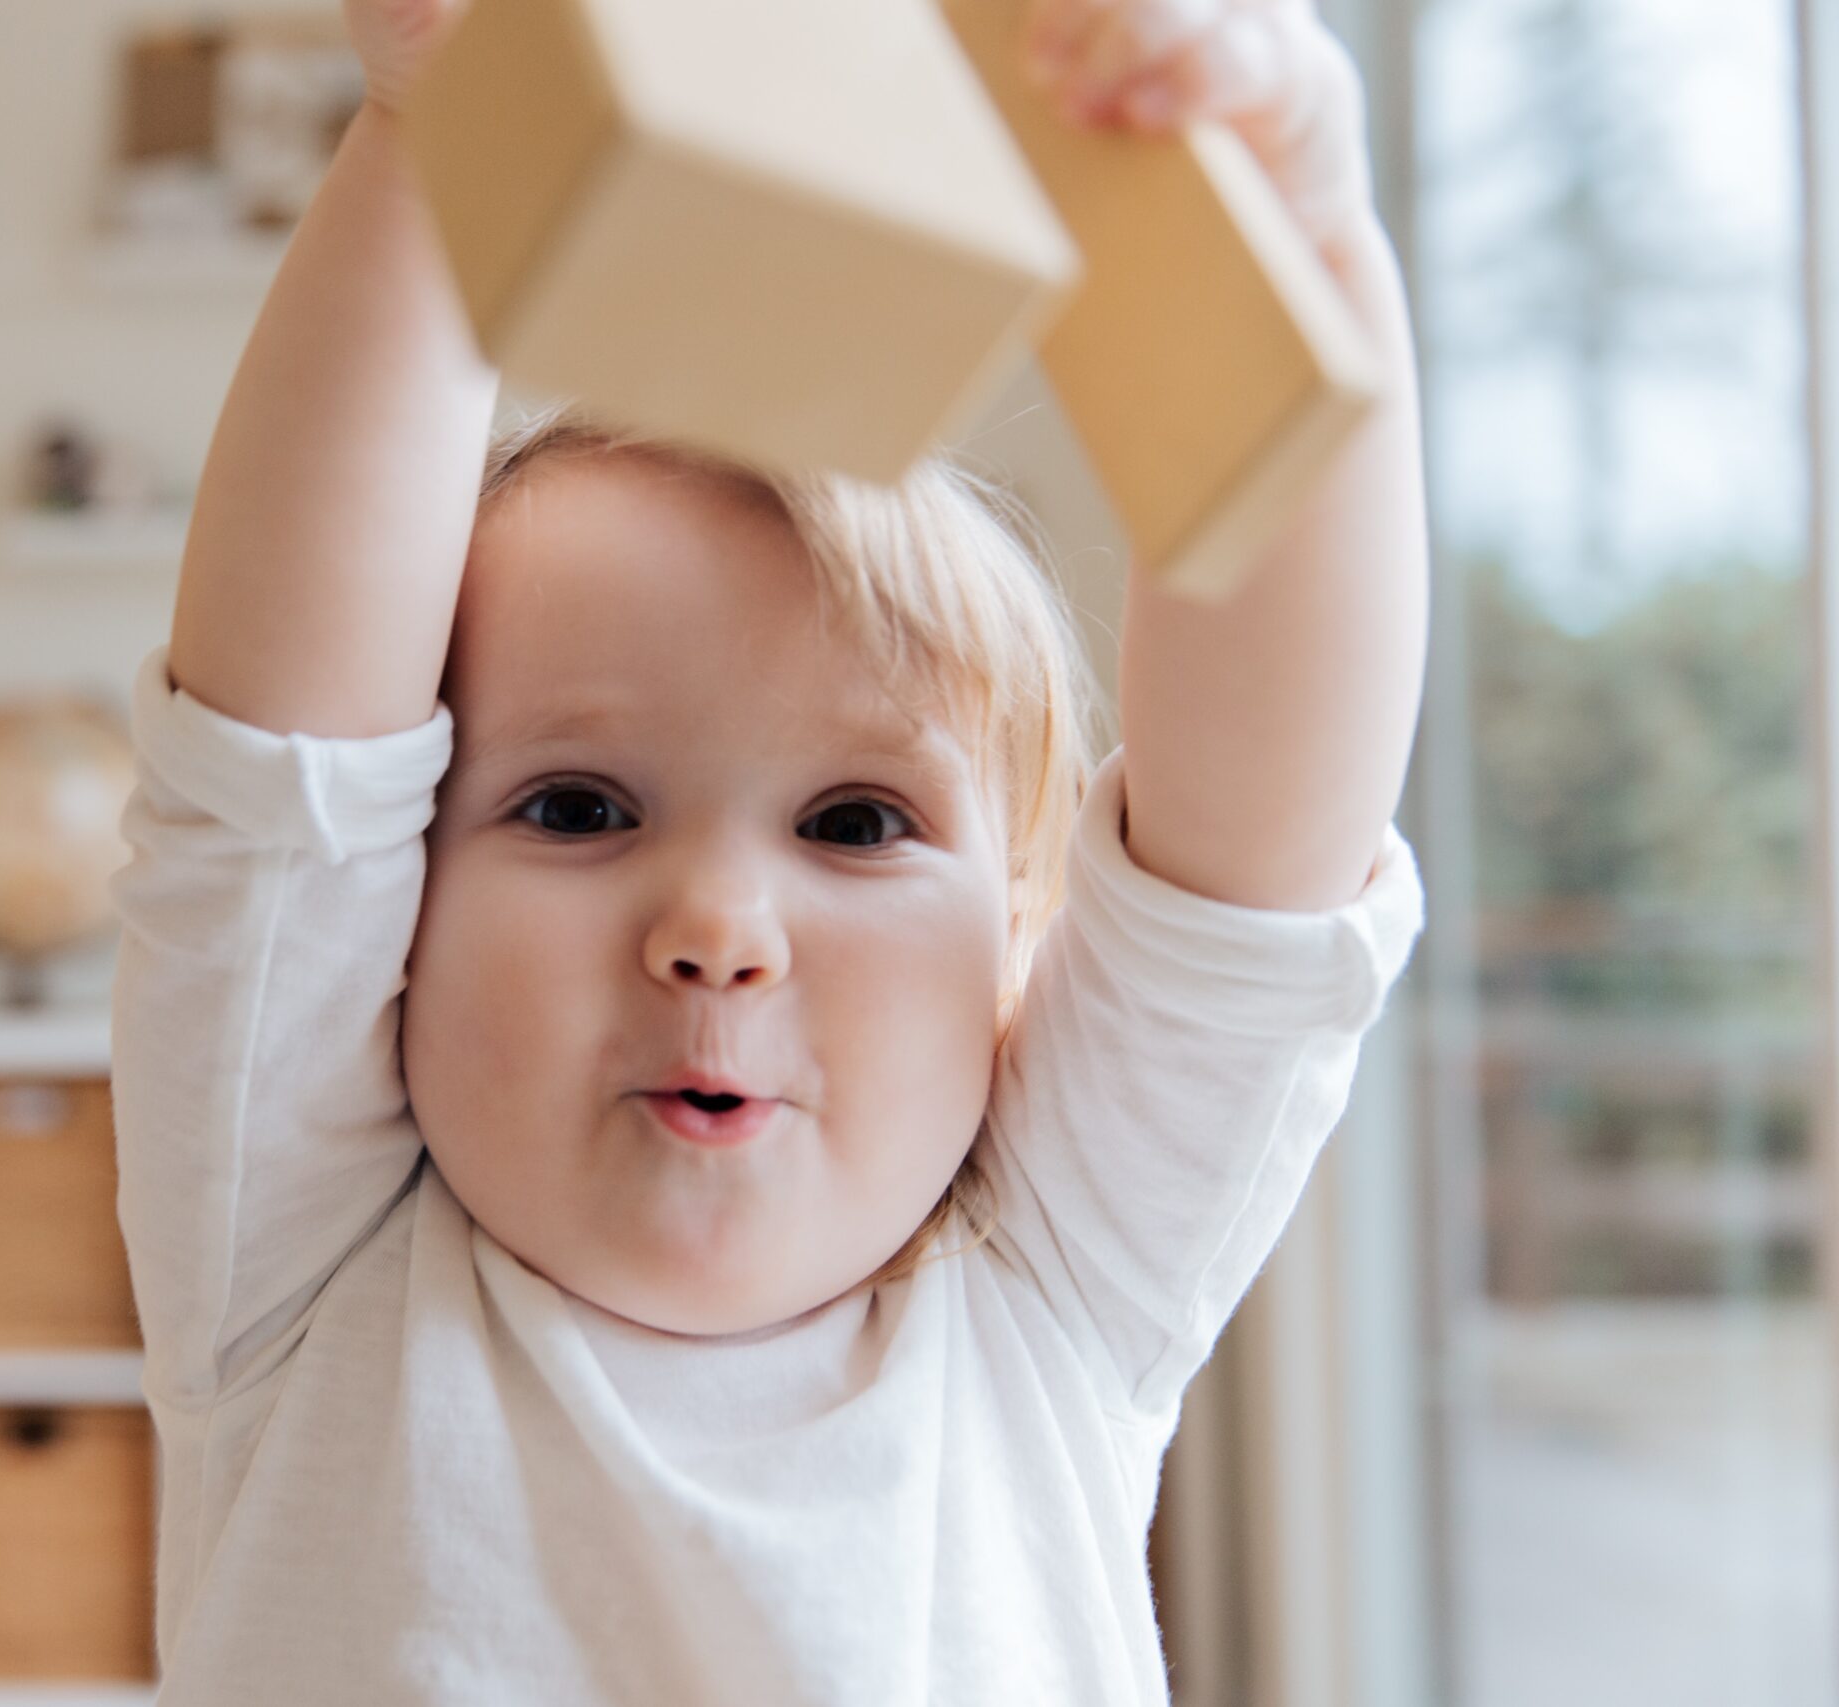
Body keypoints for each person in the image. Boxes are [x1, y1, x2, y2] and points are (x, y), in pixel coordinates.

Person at [107, 0, 1430, 1697]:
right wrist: (448, 123)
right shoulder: (302, 1252)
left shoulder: (1051, 1282)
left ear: (1016, 948)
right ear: (395, 915)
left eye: (856, 825)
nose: (719, 928)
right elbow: (280, 770)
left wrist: (1304, 236)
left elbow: (1263, 861)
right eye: (577, 809)